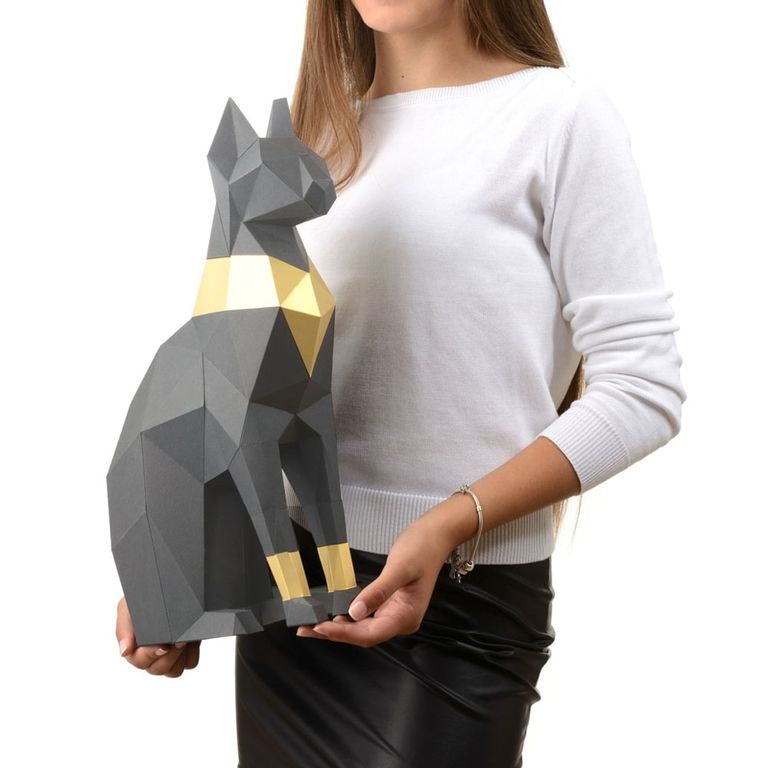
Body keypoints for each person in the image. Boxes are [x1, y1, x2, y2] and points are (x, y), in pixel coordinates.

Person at [115, 1, 687, 766]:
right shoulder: (312, 143)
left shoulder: (557, 116)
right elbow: (239, 393)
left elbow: (643, 387)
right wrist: (182, 563)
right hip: (294, 608)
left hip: (461, 604)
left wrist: (448, 522)